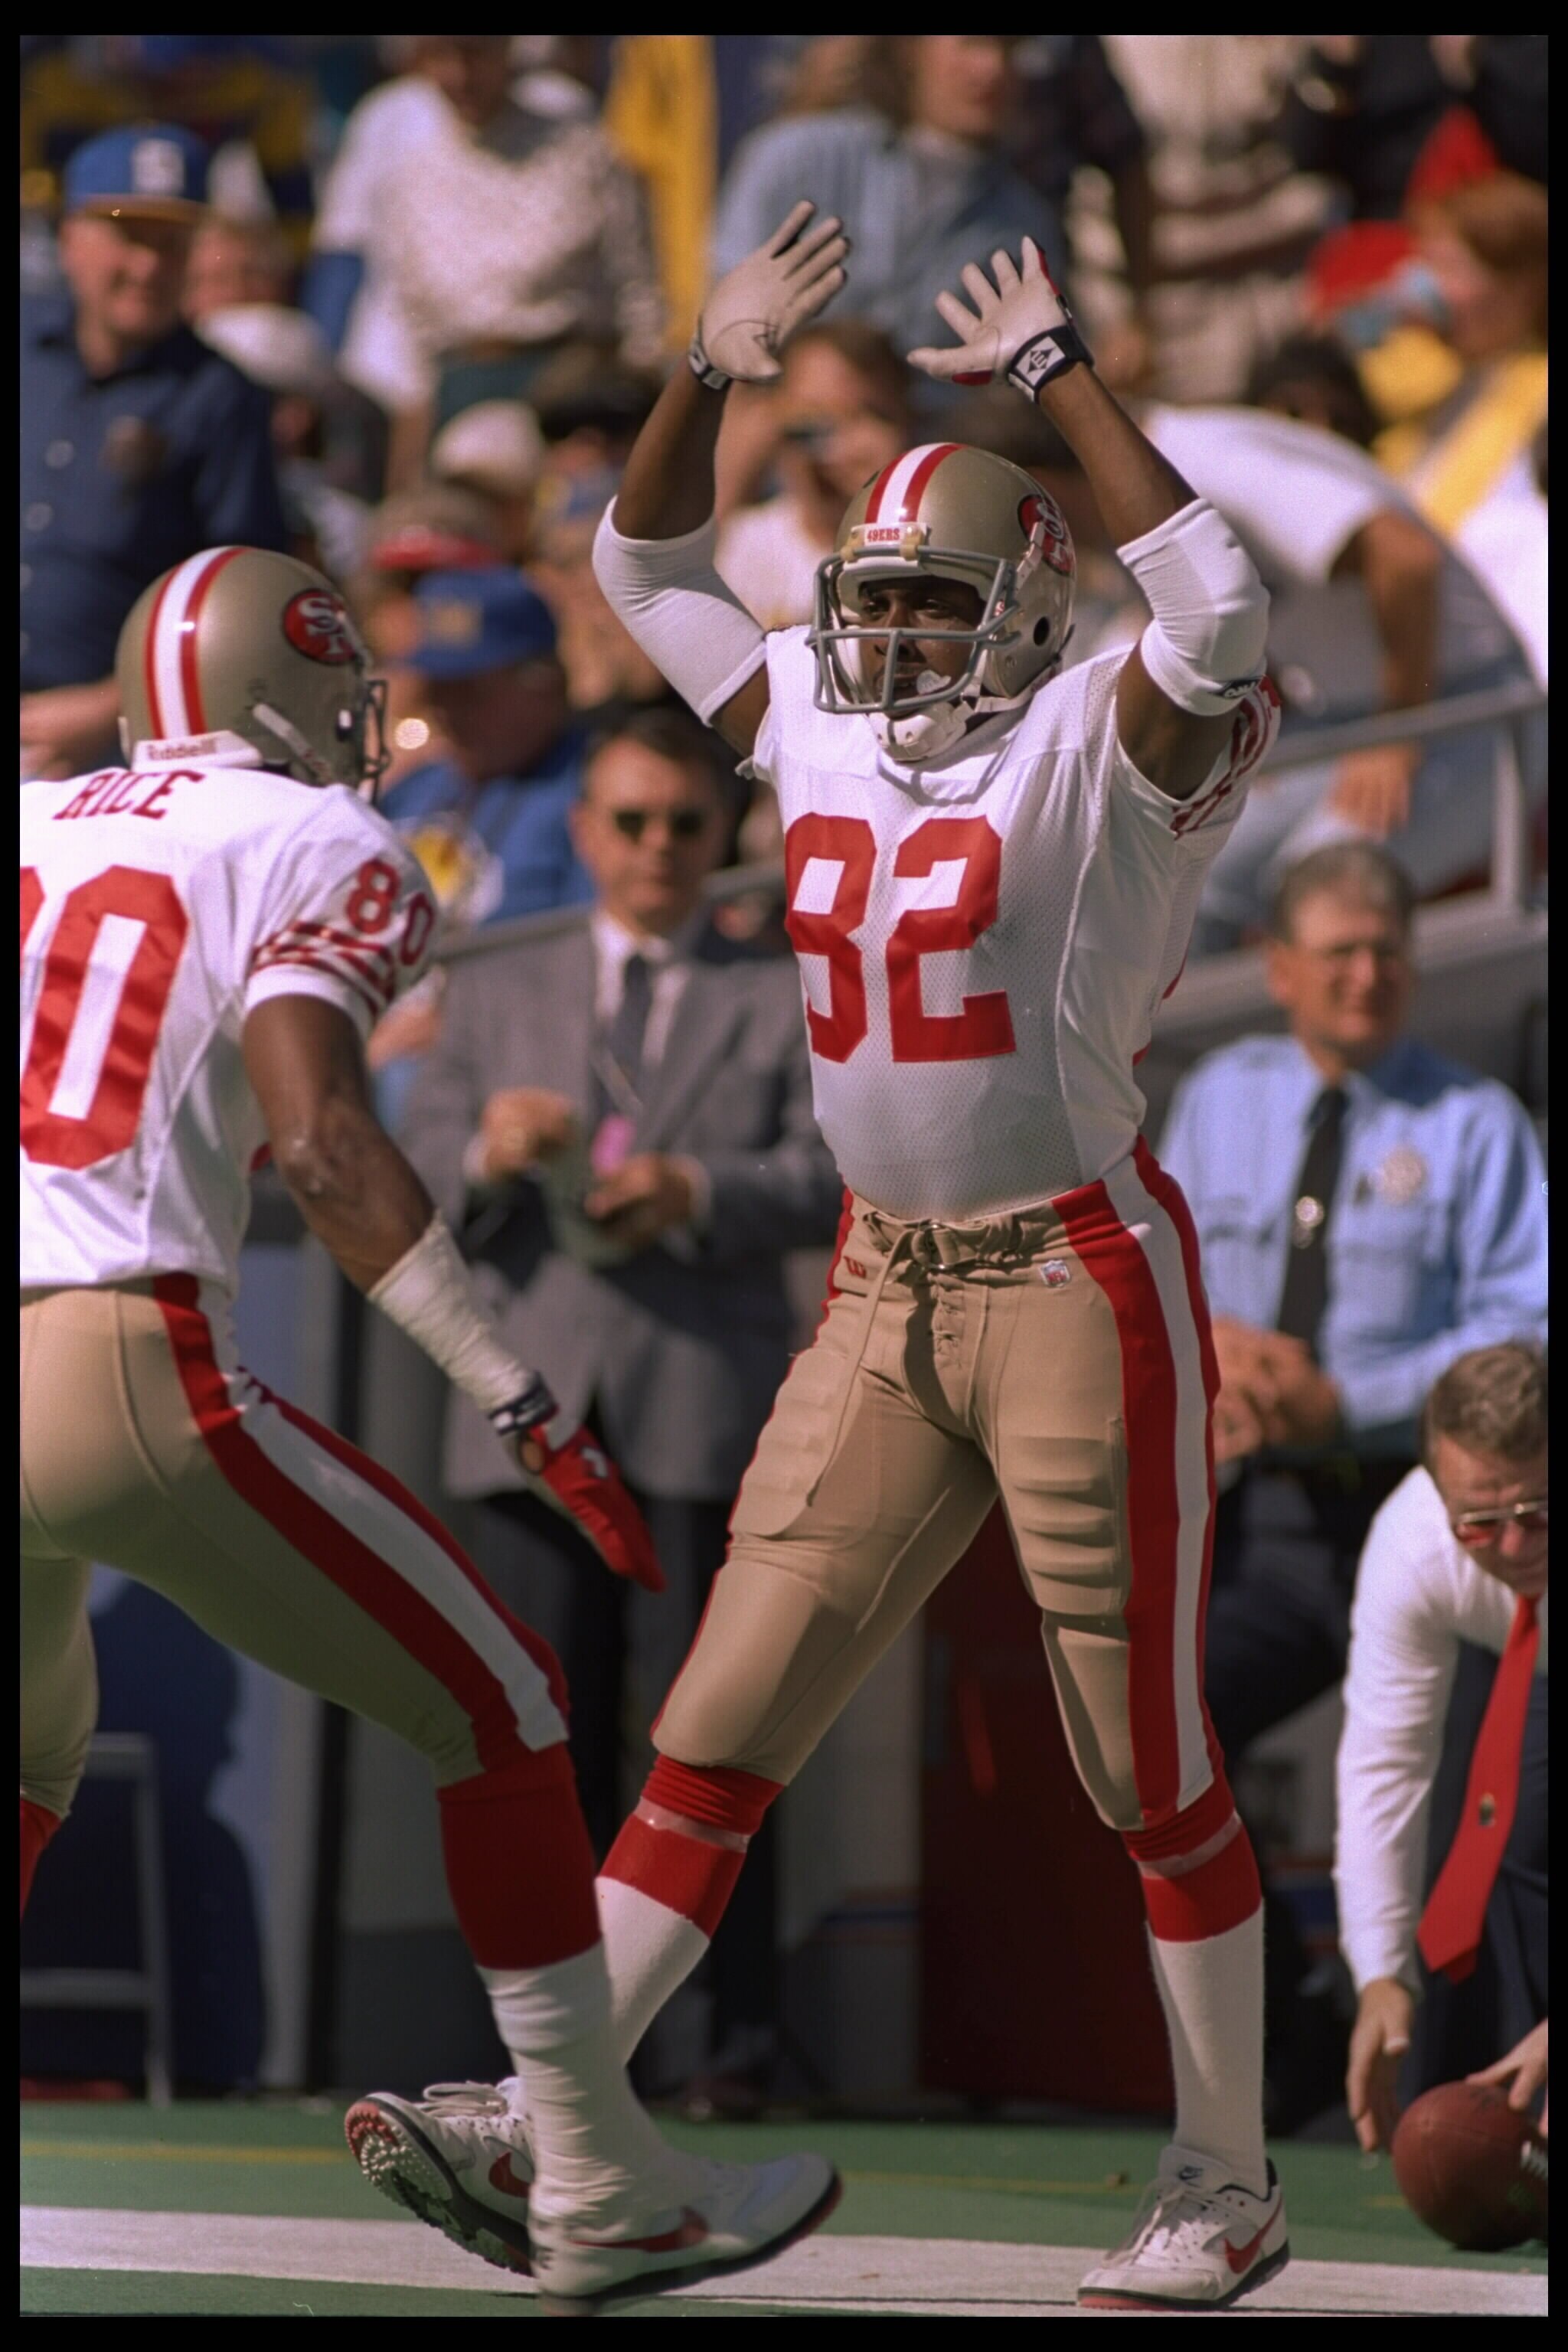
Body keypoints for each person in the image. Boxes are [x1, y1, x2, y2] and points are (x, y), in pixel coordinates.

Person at [374, 204, 1290, 2308]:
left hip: (1071, 1273)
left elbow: (1218, 600)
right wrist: (707, 368)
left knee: (1139, 1759)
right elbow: (638, 562)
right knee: (725, 1708)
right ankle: (567, 2107)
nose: (887, 642)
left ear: (1038, 603)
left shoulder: (1106, 735)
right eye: (871, 604)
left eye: (933, 604)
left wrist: (1058, 382)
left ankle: (1224, 2171)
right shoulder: (810, 714)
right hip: (885, 1282)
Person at [19, 544, 838, 2309]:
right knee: (507, 1701)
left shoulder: (36, 816)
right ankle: (602, 2177)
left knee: (28, 1754)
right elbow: (319, 1134)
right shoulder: (320, 838)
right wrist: (516, 1388)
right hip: (114, 1357)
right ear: (293, 679)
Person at [398, 701, 843, 2100]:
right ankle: (540, 2051)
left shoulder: (772, 990)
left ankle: (731, 2047)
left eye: (684, 827)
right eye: (631, 822)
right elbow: (411, 1170)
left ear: (723, 840)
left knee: (719, 1738)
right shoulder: (497, 980)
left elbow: (830, 1172)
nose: (656, 849)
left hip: (704, 1409)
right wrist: (484, 1145)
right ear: (583, 832)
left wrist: (695, 1193)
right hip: (530, 1408)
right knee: (539, 1740)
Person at [1159, 844, 1548, 2124]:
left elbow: (1524, 1323)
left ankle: (1470, 2076)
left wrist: (1347, 1390)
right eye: (1336, 952)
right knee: (1155, 1741)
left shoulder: (1474, 1123)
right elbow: (1158, 1269)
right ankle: (1286, 2043)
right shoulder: (1217, 1097)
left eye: (1386, 950)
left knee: (1480, 1809)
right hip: (1264, 1516)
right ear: (1276, 967)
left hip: (1456, 1523)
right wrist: (1217, 1355)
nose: (1366, 974)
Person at [1020, 359, 1535, 949]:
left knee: (1321, 883)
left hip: (1474, 708)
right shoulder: (1146, 475)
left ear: (1048, 481)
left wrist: (1397, 733)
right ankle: (1201, 1045)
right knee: (1177, 868)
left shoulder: (1205, 463)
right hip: (1343, 719)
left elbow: (1404, 558)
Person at [20, 125, 287, 781]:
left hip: (107, 755)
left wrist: (113, 710)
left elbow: (240, 610)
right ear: (70, 238)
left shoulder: (222, 399)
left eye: (171, 244)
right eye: (128, 237)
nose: (148, 266)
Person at [1338, 1345, 1547, 2152]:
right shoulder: (1410, 1543)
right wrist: (1379, 1970)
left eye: (1536, 1513)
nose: (1509, 1548)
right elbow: (1384, 1765)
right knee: (1511, 1840)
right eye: (1479, 1522)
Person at [309, 35, 665, 484]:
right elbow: (410, 332)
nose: (461, 76)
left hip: (571, 388)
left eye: (476, 54)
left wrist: (640, 408)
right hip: (462, 388)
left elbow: (637, 292)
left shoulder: (582, 154)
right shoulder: (413, 177)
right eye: (442, 57)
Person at [715, 320, 913, 630]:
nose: (835, 446)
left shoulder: (925, 542)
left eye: (862, 416)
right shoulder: (742, 541)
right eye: (811, 418)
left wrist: (885, 498)